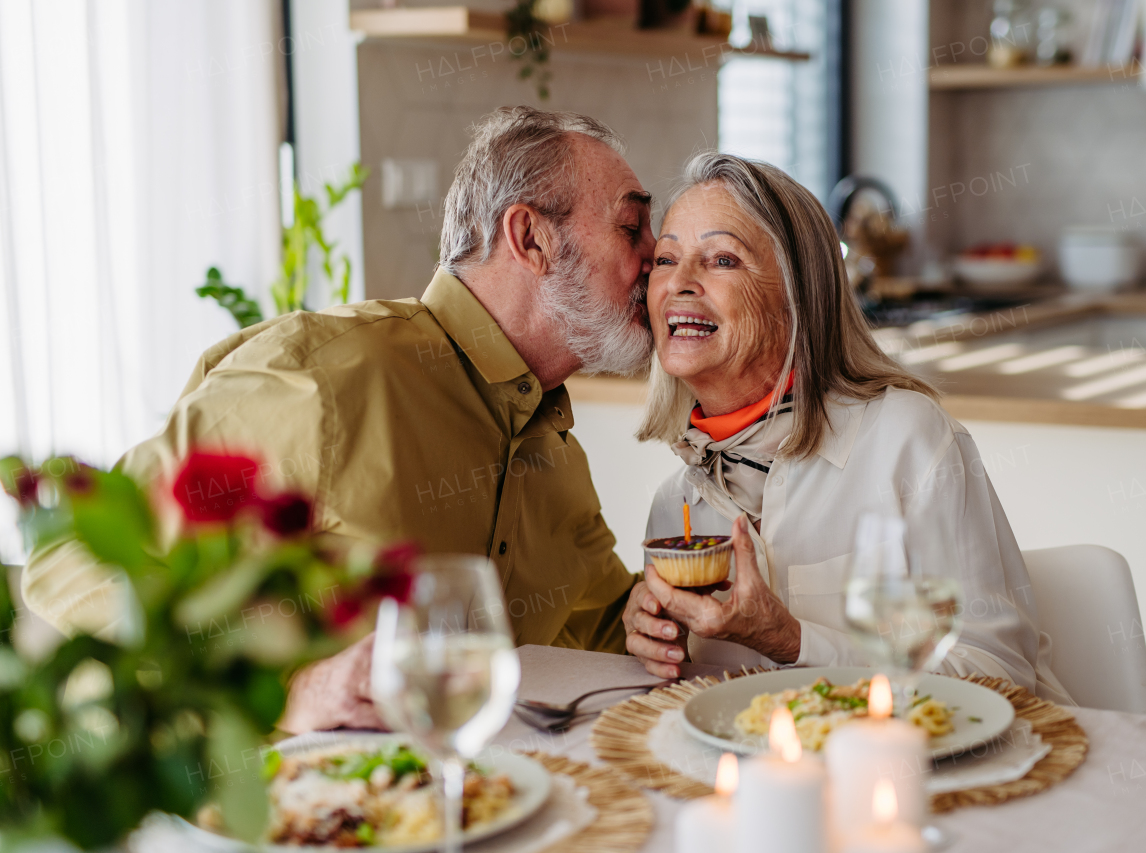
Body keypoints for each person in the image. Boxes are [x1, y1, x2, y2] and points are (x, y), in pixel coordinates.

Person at [22, 106, 658, 731]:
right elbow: (69, 550)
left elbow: (607, 627)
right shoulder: (323, 377)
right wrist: (291, 692)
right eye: (634, 228)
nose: (659, 255)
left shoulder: (555, 446)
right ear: (531, 239)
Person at [621, 153, 1073, 705]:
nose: (681, 284)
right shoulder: (677, 509)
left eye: (722, 259)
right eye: (666, 259)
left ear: (799, 296)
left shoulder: (907, 441)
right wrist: (652, 647)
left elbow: (998, 676)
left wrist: (792, 641)